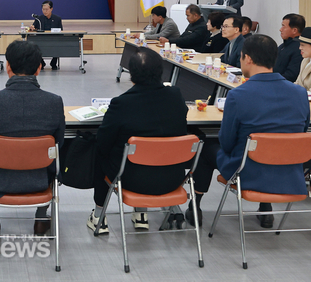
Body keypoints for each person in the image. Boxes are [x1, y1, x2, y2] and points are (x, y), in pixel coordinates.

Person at [188, 35, 310, 228]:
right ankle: (265, 208)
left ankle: (195, 206)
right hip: (289, 172)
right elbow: (301, 134)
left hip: (248, 172)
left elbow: (227, 142)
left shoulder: (238, 95)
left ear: (249, 59)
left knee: (206, 146)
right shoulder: (300, 93)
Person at [88, 48, 188, 234]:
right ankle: (141, 214)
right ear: (161, 71)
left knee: (100, 153)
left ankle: (99, 216)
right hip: (172, 179)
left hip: (131, 181)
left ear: (132, 75)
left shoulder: (122, 103)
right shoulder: (176, 96)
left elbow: (103, 142)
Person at [0, 40, 65, 236]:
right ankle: (41, 218)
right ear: (39, 68)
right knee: (53, 155)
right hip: (41, 179)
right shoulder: (54, 102)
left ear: (8, 66)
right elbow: (59, 142)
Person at [30, 0, 64, 70]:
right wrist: (32, 28)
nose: (45, 11)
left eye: (46, 9)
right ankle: (41, 63)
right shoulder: (39, 19)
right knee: (34, 45)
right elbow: (33, 28)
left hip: (54, 40)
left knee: (58, 44)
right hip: (41, 40)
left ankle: (53, 63)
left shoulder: (57, 19)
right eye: (43, 9)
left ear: (51, 9)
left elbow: (60, 31)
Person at [274, 13, 305, 82]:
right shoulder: (282, 46)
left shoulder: (299, 48)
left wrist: (273, 82)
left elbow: (292, 75)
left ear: (294, 30)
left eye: (283, 26)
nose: (280, 29)